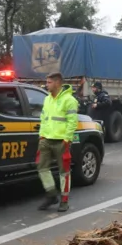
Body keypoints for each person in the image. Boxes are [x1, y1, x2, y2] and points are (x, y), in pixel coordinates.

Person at [36, 72, 79, 212]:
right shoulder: (47, 99)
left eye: (49, 82)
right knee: (42, 167)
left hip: (61, 141)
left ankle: (64, 200)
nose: (46, 84)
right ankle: (51, 194)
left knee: (64, 172)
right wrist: (41, 136)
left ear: (57, 83)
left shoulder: (69, 100)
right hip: (46, 139)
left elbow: (72, 122)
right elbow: (44, 119)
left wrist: (67, 139)